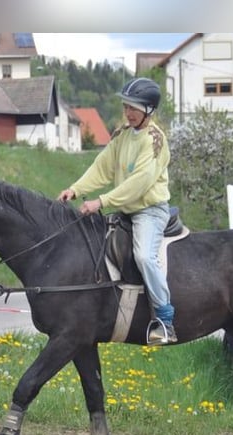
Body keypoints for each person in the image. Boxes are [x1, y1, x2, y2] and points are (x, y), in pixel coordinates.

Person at [57, 77, 177, 345]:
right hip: (125, 210)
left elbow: (140, 183)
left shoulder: (156, 141)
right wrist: (75, 189)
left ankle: (165, 321)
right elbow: (102, 168)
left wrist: (101, 202)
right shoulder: (121, 134)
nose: (128, 113)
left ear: (148, 109)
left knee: (145, 257)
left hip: (149, 211)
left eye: (133, 108)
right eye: (126, 107)